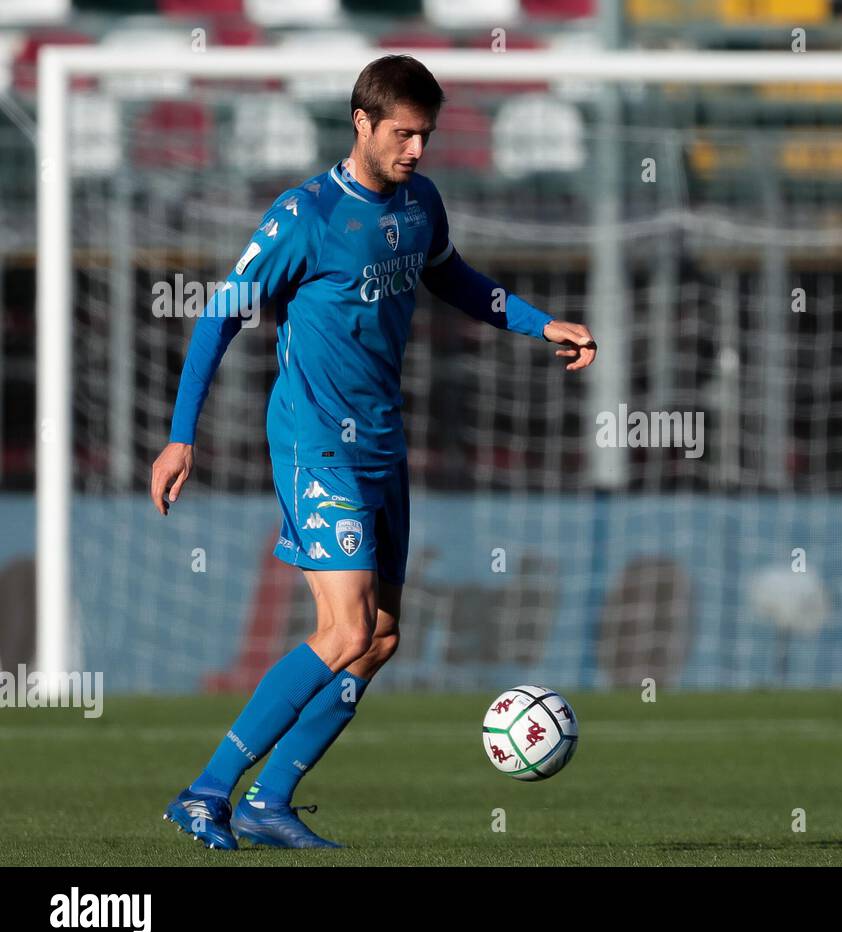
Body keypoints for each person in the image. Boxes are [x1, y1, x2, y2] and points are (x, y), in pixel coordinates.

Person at [149, 55, 596, 850]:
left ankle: (269, 799)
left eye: (426, 135)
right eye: (402, 134)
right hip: (314, 440)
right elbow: (220, 316)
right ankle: (206, 790)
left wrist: (540, 322)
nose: (416, 151)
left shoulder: (421, 203)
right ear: (361, 123)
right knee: (345, 629)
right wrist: (182, 434)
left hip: (382, 443)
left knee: (382, 636)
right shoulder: (305, 215)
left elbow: (452, 278)